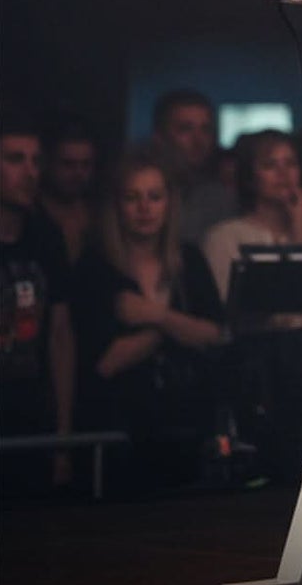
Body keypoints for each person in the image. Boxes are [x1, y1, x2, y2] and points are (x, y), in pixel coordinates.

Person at [71, 146, 224, 487]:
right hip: (119, 429)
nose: (145, 208)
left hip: (189, 424)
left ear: (170, 202)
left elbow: (216, 334)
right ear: (116, 205)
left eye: (155, 197)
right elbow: (107, 362)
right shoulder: (95, 267)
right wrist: (179, 328)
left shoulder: (189, 259)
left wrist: (154, 315)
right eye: (132, 198)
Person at [0, 110, 76, 492]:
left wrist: (63, 437)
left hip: (31, 414)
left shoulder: (46, 235)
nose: (30, 172)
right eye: (16, 159)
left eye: (36, 161)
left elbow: (61, 335)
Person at [201, 130, 302, 306]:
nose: (283, 173)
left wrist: (300, 227)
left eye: (291, 163)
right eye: (269, 165)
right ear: (250, 177)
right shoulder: (224, 238)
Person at [152, 90, 236, 247]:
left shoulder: (223, 196)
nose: (199, 140)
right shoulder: (144, 191)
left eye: (206, 129)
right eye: (185, 129)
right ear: (160, 137)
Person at [39, 119, 99, 265]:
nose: (78, 173)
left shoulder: (100, 217)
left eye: (85, 165)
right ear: (47, 164)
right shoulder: (30, 215)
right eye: (68, 164)